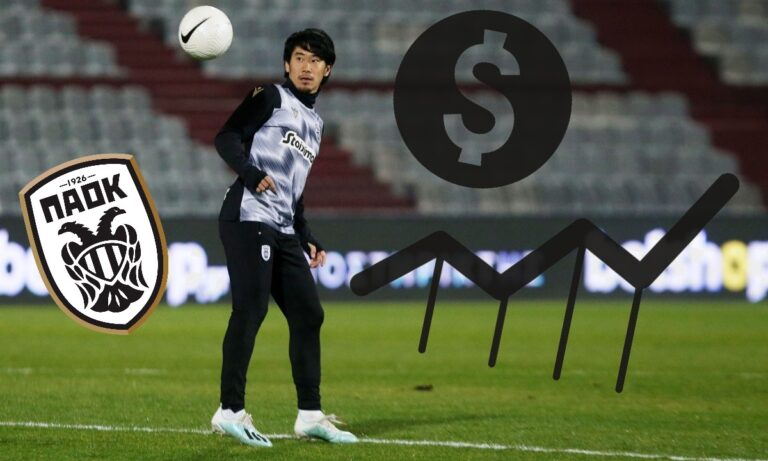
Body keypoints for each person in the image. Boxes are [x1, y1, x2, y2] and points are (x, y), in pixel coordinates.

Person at [209, 28, 357, 447]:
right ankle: (229, 411)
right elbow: (226, 137)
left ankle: (310, 416)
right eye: (299, 58)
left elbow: (295, 186)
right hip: (247, 216)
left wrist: (307, 233)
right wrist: (251, 173)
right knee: (251, 309)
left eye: (315, 60)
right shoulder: (272, 97)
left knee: (309, 314)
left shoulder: (315, 123)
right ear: (286, 65)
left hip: (283, 227)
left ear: (327, 70)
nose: (306, 67)